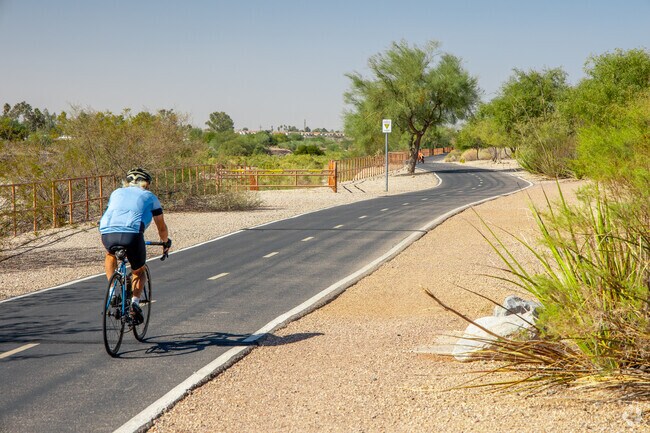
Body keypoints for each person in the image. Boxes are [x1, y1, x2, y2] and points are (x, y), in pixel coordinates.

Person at [99, 167, 171, 323]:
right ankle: (134, 304)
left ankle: (112, 291)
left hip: (107, 232)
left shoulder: (116, 193)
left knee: (110, 254)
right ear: (146, 184)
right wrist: (165, 242)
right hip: (131, 234)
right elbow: (161, 227)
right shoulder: (150, 197)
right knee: (139, 270)